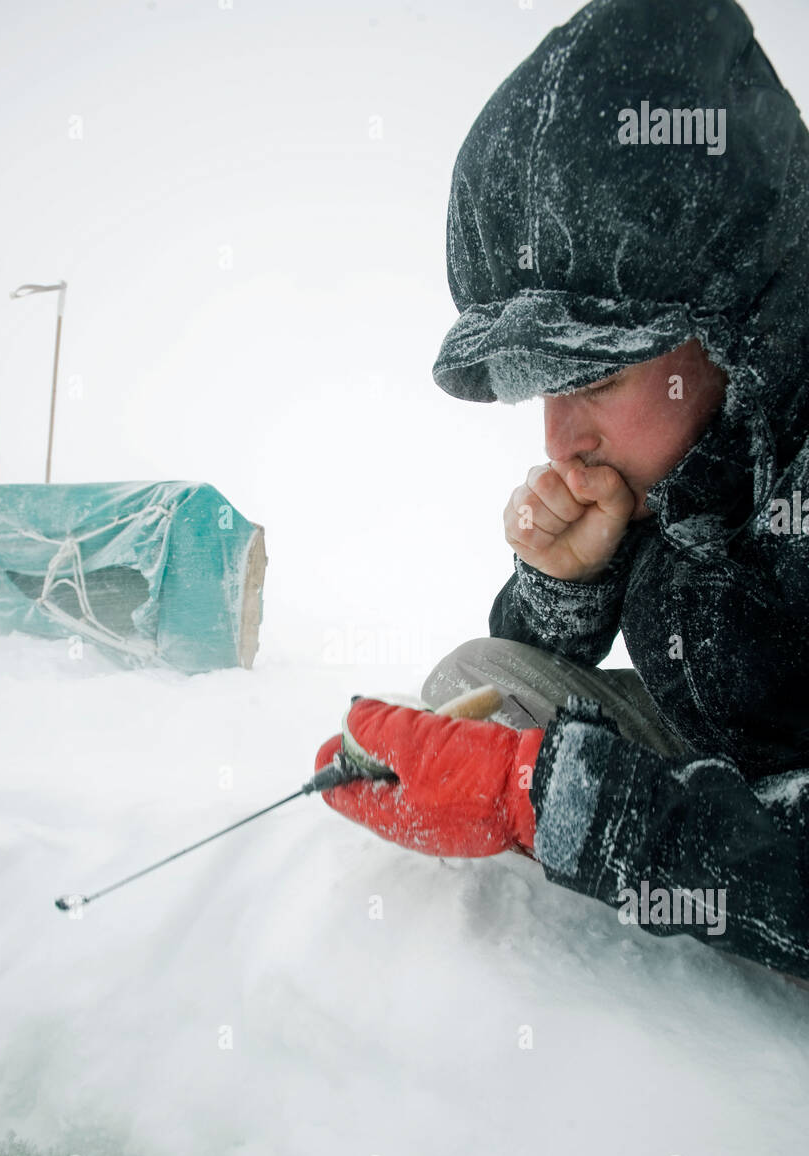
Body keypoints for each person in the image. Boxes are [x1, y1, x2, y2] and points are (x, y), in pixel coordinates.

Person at [315, 0, 809, 982]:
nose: (558, 437)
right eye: (546, 388)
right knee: (479, 676)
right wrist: (570, 582)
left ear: (735, 321)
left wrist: (554, 801)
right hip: (736, 763)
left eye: (591, 378)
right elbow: (531, 663)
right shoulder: (692, 434)